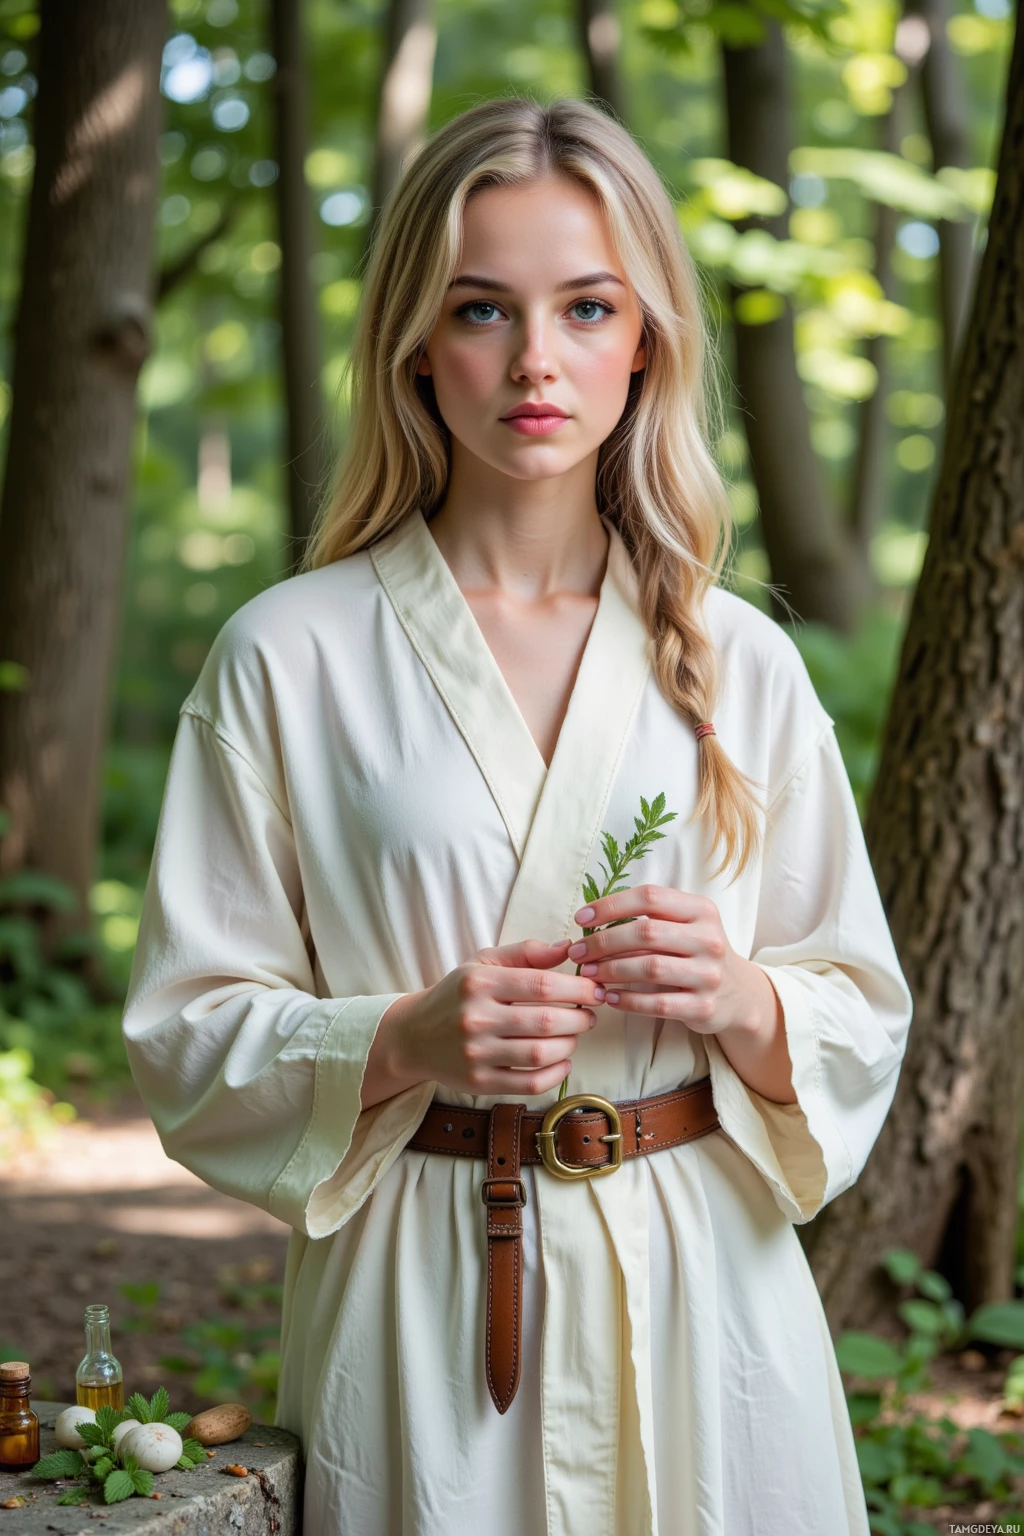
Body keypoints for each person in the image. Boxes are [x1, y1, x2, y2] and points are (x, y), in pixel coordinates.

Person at [122, 95, 914, 1536]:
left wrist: (740, 1000)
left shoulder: (742, 660)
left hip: (705, 1288)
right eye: (483, 309)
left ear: (648, 339)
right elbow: (184, 1033)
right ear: (417, 343)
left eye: (587, 307)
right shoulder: (292, 654)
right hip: (422, 1289)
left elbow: (862, 1002)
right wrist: (401, 1037)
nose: (536, 360)